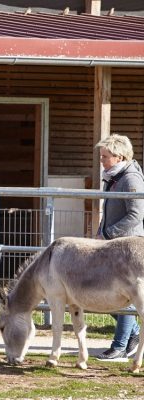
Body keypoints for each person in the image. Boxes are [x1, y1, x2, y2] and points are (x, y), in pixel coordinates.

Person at [94, 134, 143, 362]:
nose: (101, 161)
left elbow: (136, 214)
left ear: (119, 156)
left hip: (127, 247)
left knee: (123, 294)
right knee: (107, 294)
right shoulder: (114, 177)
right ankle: (132, 333)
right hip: (115, 245)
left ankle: (120, 346)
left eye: (105, 157)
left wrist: (108, 233)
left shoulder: (131, 179)